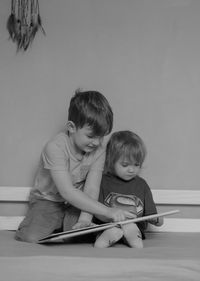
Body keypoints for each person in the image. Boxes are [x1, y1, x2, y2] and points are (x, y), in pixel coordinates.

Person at [15, 90, 135, 243]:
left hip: (77, 203)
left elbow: (91, 188)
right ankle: (51, 224)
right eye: (91, 136)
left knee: (83, 231)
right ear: (71, 127)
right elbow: (67, 192)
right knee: (32, 237)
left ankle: (72, 227)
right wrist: (108, 211)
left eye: (101, 136)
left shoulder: (99, 149)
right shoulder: (55, 147)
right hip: (48, 200)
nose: (97, 142)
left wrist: (85, 217)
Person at [94, 130, 163, 248]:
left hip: (134, 225)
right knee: (109, 229)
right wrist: (110, 218)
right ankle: (106, 238)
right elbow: (96, 212)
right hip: (108, 225)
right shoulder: (102, 181)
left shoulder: (142, 185)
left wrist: (157, 220)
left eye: (136, 164)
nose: (132, 170)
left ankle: (133, 237)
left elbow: (152, 215)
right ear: (111, 162)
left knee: (131, 226)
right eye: (125, 165)